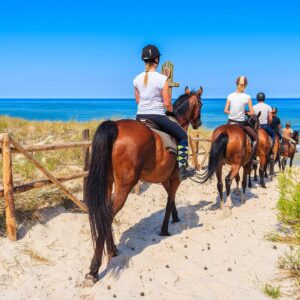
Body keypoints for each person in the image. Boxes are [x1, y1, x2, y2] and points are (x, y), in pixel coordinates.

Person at [133, 44, 194, 181]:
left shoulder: (136, 79)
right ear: (156, 60)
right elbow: (167, 103)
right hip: (157, 117)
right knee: (182, 136)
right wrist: (171, 112)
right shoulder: (162, 79)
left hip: (140, 116)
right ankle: (183, 168)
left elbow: (138, 100)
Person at [224, 76, 258, 162]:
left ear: (236, 84)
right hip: (241, 123)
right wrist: (245, 112)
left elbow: (225, 110)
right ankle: (252, 158)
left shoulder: (230, 95)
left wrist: (232, 112)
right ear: (246, 85)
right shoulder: (247, 97)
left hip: (230, 121)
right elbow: (252, 113)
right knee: (256, 138)